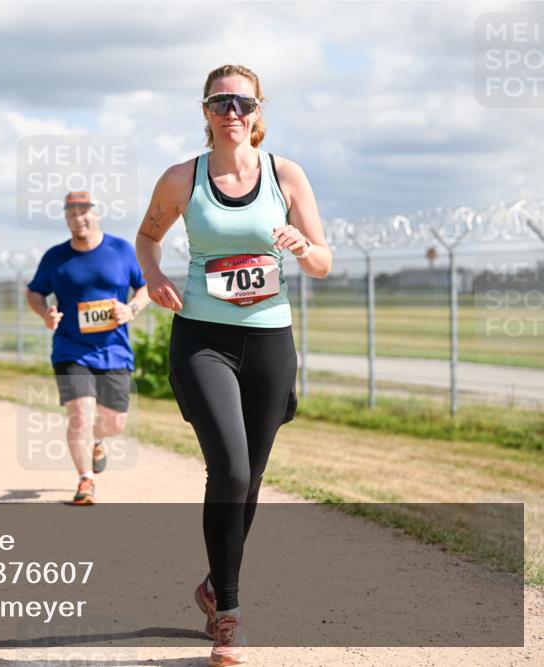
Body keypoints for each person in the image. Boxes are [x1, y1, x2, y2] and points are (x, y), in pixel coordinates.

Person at [135, 64, 332, 664]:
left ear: (257, 110)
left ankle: (211, 583)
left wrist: (303, 248)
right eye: (221, 102)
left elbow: (324, 260)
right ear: (205, 111)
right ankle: (228, 612)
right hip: (203, 339)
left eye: (242, 103)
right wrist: (154, 275)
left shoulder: (286, 175)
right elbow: (148, 237)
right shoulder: (181, 178)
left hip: (270, 341)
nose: (232, 113)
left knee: (250, 481)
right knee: (230, 471)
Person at [26, 191, 150, 506]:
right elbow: (35, 292)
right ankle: (85, 479)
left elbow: (146, 286)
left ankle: (97, 441)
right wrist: (45, 313)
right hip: (71, 348)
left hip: (114, 350)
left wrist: (131, 309)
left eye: (84, 211)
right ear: (66, 218)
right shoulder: (55, 257)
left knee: (115, 422)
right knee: (79, 415)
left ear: (96, 214)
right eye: (72, 213)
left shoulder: (121, 249)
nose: (78, 218)